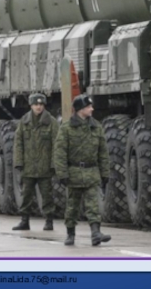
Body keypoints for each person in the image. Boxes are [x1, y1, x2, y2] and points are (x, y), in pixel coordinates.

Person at [53, 94, 111, 246]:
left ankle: (96, 233)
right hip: (74, 173)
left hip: (92, 172)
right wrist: (62, 173)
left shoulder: (96, 127)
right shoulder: (66, 128)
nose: (92, 109)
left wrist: (105, 172)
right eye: (88, 107)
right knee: (72, 206)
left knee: (93, 205)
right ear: (80, 109)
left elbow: (103, 152)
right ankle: (70, 233)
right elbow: (60, 153)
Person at [12, 93, 59, 231]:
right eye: (36, 104)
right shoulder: (24, 122)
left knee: (47, 196)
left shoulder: (51, 122)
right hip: (28, 167)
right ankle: (24, 220)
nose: (39, 107)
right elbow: (18, 143)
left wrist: (54, 164)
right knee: (26, 195)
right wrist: (19, 162)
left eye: (41, 104)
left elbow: (56, 144)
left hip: (45, 167)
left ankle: (49, 220)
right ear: (31, 106)